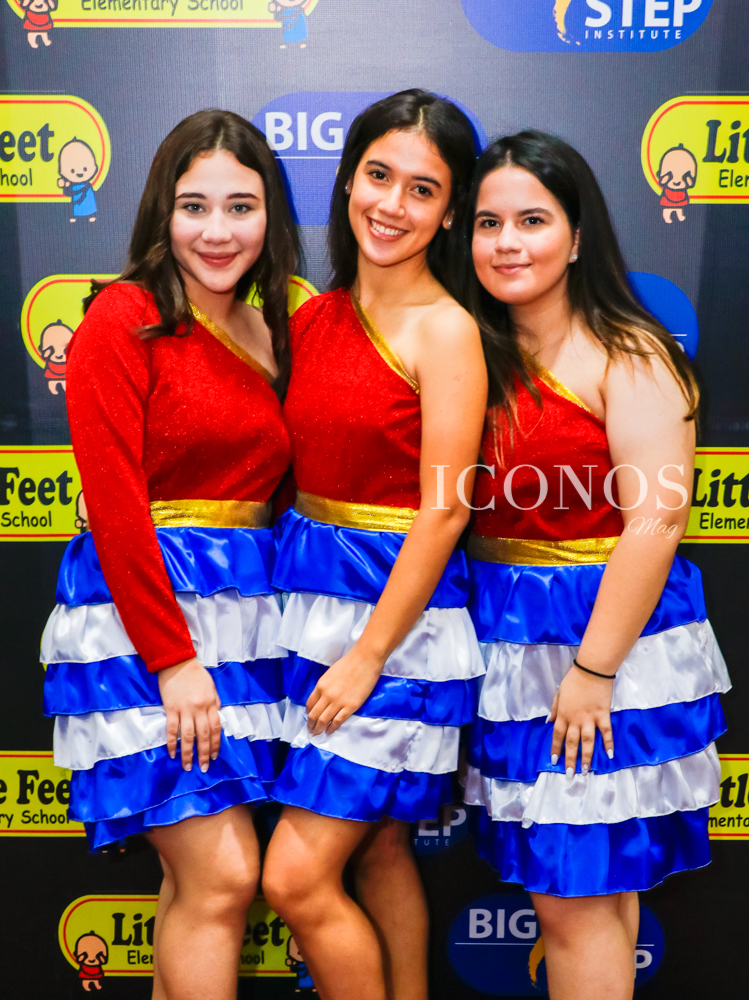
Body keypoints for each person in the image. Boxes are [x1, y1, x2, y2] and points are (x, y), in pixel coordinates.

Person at [461, 130, 730, 1000]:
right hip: (508, 647)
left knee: (576, 898)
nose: (507, 242)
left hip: (599, 648)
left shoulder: (629, 352)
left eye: (532, 220)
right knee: (587, 896)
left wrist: (592, 670)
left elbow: (656, 520)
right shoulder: (475, 353)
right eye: (488, 223)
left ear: (576, 237)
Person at [41, 109, 299, 1000]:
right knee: (222, 878)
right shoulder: (123, 315)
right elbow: (113, 505)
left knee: (195, 886)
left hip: (246, 625)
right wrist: (172, 658)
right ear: (163, 210)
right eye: (195, 206)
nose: (217, 231)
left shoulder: (272, 329)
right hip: (146, 626)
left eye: (240, 206)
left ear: (270, 216)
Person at [262, 89, 487, 1000]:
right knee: (383, 846)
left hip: (397, 631)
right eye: (377, 176)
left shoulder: (447, 329)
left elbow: (444, 513)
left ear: (450, 211)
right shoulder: (312, 317)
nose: (391, 205)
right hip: (307, 609)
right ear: (348, 180)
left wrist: (367, 656)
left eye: (421, 189)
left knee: (293, 877)